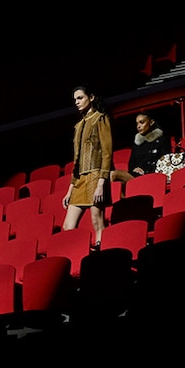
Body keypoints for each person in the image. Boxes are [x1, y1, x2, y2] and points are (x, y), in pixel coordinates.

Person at [62, 86, 113, 249]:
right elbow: (76, 160)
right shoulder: (78, 126)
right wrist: (70, 189)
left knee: (97, 221)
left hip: (95, 176)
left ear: (91, 98)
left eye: (80, 98)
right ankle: (81, 252)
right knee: (68, 226)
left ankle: (101, 251)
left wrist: (101, 183)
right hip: (79, 180)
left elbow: (107, 152)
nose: (77, 102)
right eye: (75, 99)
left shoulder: (100, 118)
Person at [124, 113, 172, 179]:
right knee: (113, 176)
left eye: (142, 122)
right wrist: (135, 169)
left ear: (151, 122)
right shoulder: (137, 144)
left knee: (114, 174)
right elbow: (131, 166)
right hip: (137, 177)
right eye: (137, 123)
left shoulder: (162, 140)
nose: (138, 126)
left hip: (155, 176)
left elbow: (166, 161)